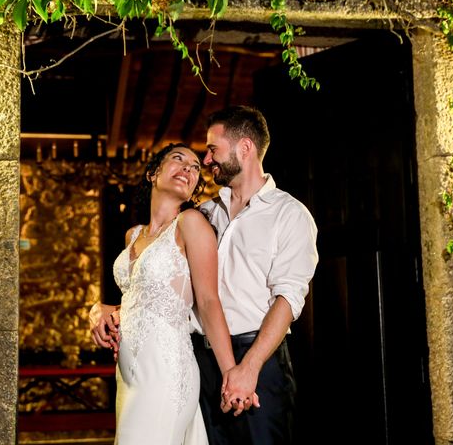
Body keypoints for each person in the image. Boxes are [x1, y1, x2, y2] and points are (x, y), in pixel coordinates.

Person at [89, 143, 244, 445]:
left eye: (196, 167)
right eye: (178, 159)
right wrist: (100, 310)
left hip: (166, 371)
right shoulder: (132, 235)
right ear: (152, 173)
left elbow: (209, 302)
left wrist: (231, 375)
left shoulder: (191, 224)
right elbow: (143, 300)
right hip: (128, 376)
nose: (188, 168)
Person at [191, 105, 319, 445]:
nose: (206, 160)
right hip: (201, 362)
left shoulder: (289, 215)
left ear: (244, 148)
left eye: (212, 149)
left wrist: (248, 370)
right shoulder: (203, 214)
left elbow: (289, 298)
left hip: (259, 363)